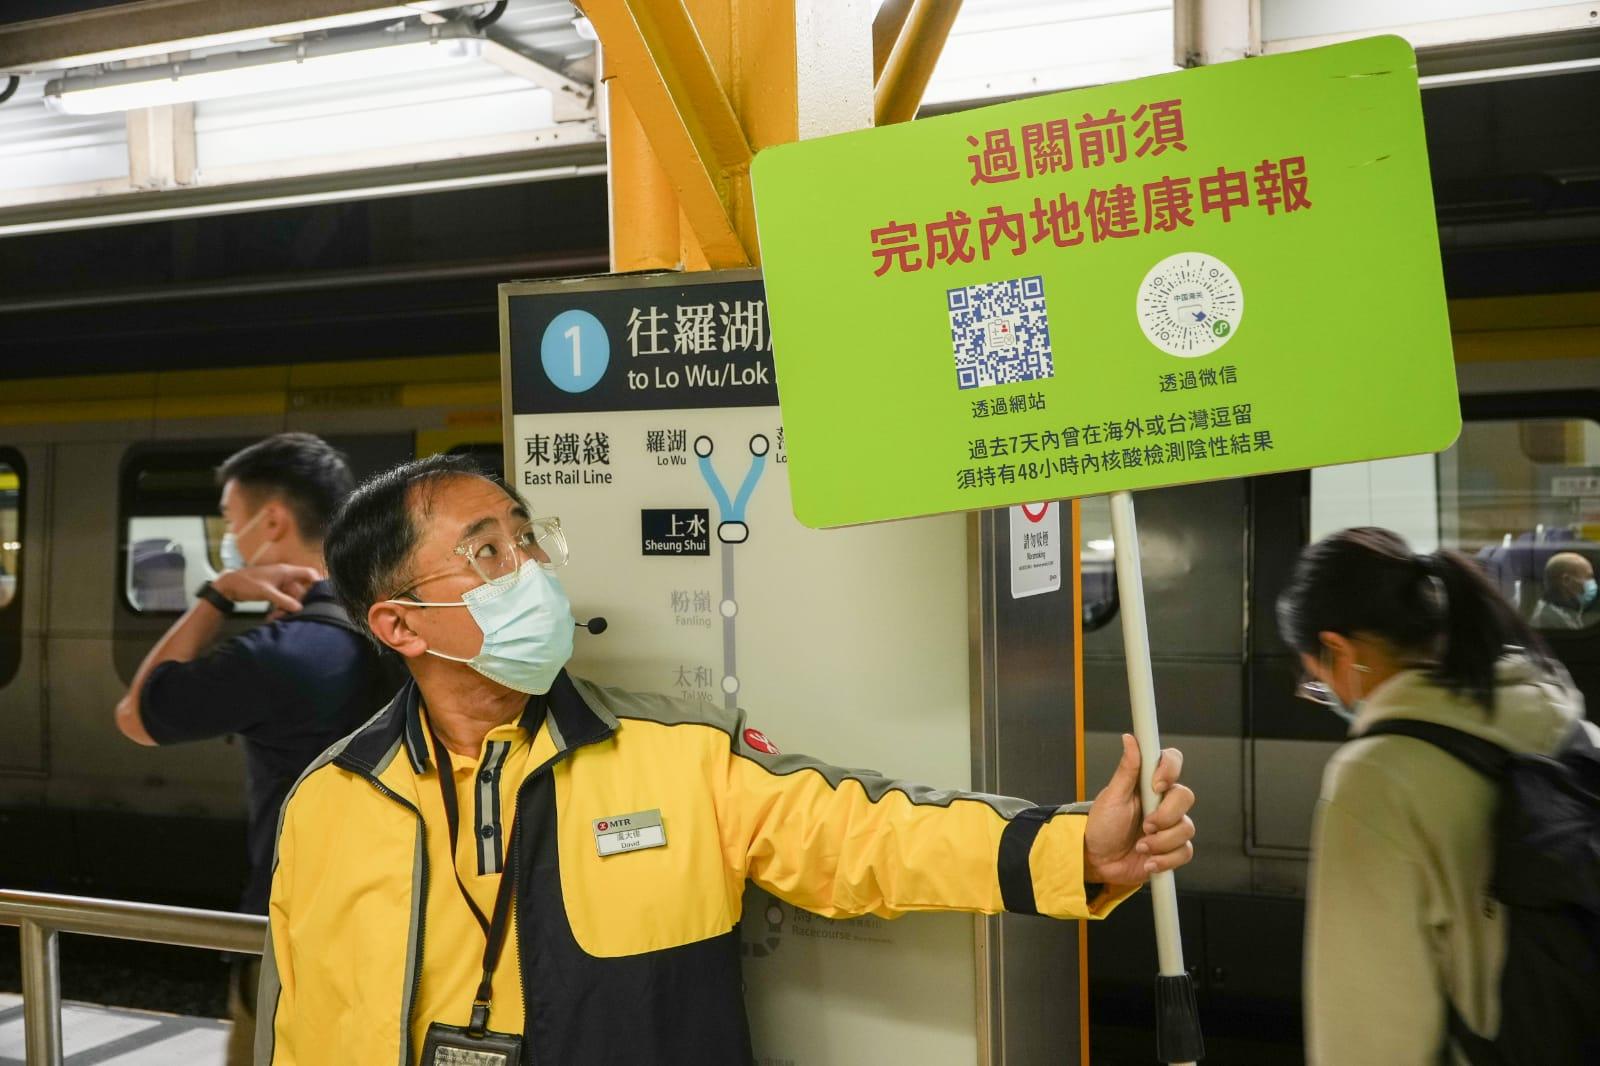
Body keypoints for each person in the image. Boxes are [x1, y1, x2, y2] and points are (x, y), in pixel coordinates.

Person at [256, 455, 1198, 1065]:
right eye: (487, 552)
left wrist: (1069, 849)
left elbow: (859, 834)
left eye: (526, 537)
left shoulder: (677, 756)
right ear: (398, 624)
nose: (531, 569)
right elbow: (303, 1023)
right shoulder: (333, 801)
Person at [114, 433, 389, 1066]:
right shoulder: (394, 621)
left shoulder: (280, 656)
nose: (228, 538)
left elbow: (136, 713)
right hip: (404, 922)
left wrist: (219, 594)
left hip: (298, 941)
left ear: (272, 522)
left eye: (231, 523)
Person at [1278, 527, 1595, 1065]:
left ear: (1338, 651)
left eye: (1317, 681)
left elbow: (1369, 1037)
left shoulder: (1375, 780)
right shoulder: (1555, 709)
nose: (1324, 696)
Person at [1528, 550, 1596, 630]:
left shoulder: (1567, 611)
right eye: (1588, 577)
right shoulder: (1547, 619)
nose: (1593, 583)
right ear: (1566, 580)